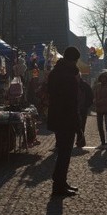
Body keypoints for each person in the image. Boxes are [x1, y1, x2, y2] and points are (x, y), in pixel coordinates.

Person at [46, 46, 82, 197]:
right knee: (64, 153)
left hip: (58, 117)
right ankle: (58, 186)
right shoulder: (66, 76)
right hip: (65, 119)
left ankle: (61, 182)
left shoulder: (56, 72)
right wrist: (78, 127)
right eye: (75, 61)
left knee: (63, 152)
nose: (76, 65)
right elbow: (71, 103)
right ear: (72, 60)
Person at [93, 71, 107, 148]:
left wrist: (100, 102)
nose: (103, 79)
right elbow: (95, 95)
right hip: (99, 109)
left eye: (104, 77)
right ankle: (102, 143)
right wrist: (95, 101)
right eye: (102, 77)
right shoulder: (98, 86)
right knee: (100, 127)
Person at [75, 74, 94, 148]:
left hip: (83, 108)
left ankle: (80, 141)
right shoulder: (71, 85)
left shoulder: (85, 85)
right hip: (74, 108)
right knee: (74, 125)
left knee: (82, 125)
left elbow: (91, 96)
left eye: (77, 76)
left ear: (79, 77)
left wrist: (87, 105)